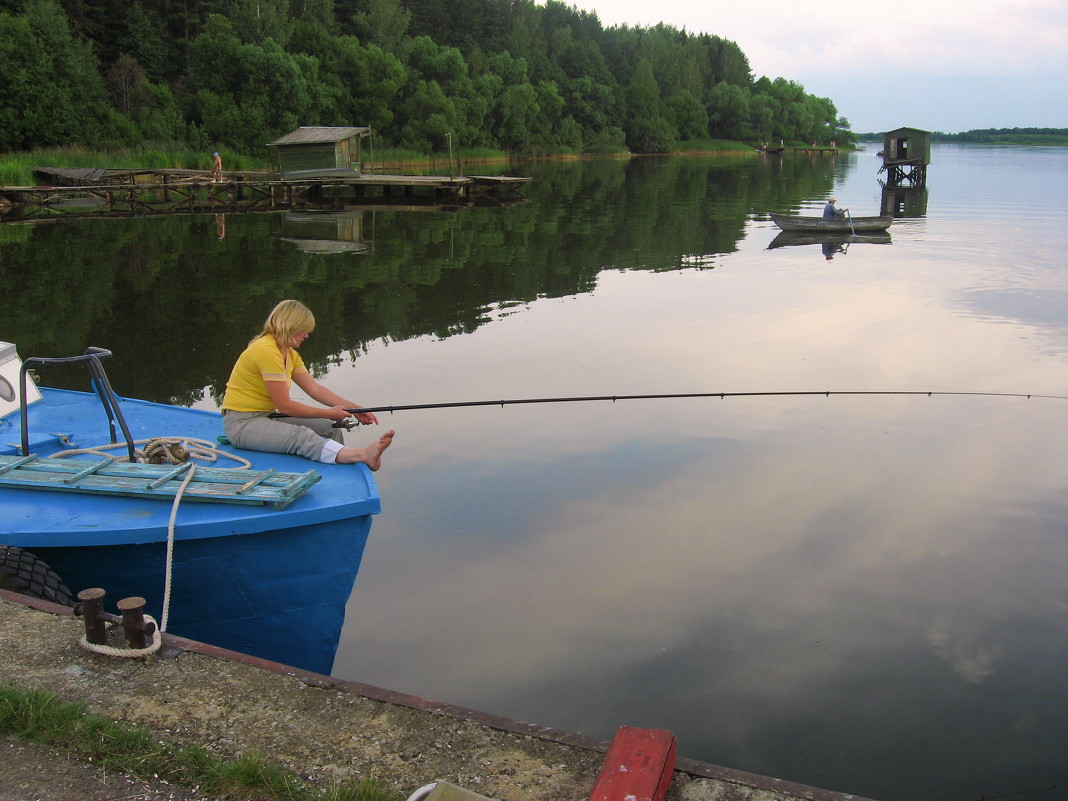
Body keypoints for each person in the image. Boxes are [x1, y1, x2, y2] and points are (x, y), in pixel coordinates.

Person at [221, 300, 394, 470]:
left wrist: (355, 409)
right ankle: (363, 456)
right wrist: (328, 412)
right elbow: (285, 406)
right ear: (290, 326)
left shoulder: (290, 354)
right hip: (241, 424)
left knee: (328, 428)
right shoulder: (266, 350)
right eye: (303, 330)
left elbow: (315, 389)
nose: (306, 335)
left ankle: (341, 470)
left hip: (265, 415)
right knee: (300, 436)